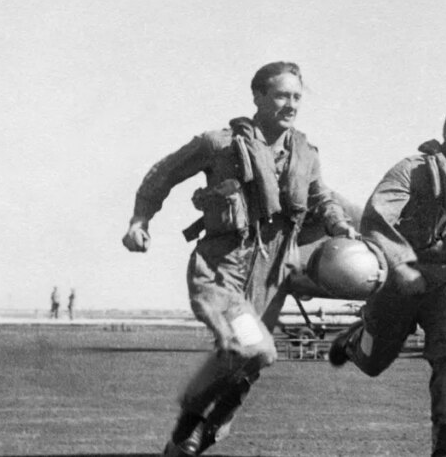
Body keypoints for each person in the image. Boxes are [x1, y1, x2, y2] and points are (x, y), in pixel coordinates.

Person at [121, 61, 357, 457]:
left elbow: (321, 197)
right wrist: (139, 220)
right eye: (281, 95)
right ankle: (192, 421)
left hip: (272, 274)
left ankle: (197, 435)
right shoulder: (219, 145)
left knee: (249, 362)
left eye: (297, 97)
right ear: (258, 97)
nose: (291, 104)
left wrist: (339, 223)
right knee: (257, 348)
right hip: (221, 270)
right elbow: (164, 174)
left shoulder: (306, 154)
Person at [329, 103, 446, 457]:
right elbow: (376, 220)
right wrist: (401, 266)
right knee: (375, 363)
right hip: (403, 278)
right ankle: (353, 341)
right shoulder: (412, 170)